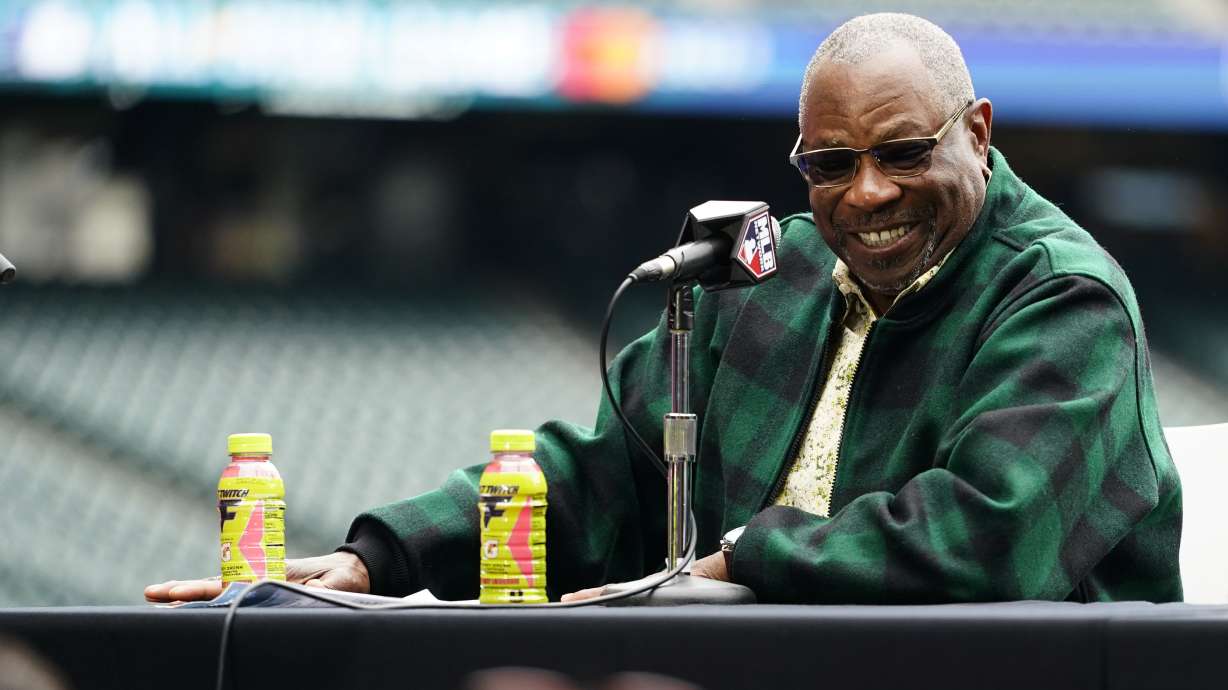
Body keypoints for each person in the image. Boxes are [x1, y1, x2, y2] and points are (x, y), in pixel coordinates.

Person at [147, 13, 1181, 606]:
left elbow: (984, 542)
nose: (865, 192)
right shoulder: (767, 273)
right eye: (829, 164)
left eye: (903, 153)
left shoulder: (1062, 299)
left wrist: (738, 564)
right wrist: (384, 558)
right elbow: (607, 476)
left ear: (979, 135)